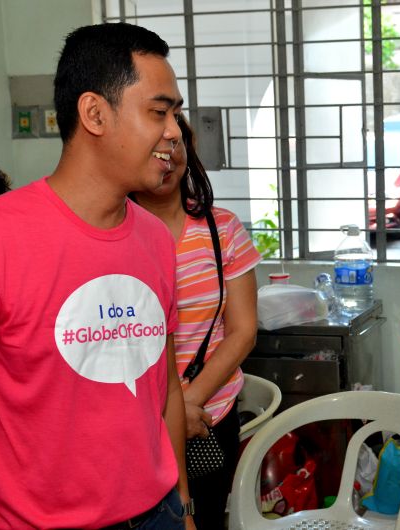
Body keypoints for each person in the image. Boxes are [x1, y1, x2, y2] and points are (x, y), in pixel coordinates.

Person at [0, 23, 195, 529]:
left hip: (160, 514)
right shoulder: (3, 236)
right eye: (158, 112)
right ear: (94, 114)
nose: (174, 131)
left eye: (175, 114)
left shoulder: (155, 239)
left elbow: (166, 388)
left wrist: (184, 504)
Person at [133, 116, 261, 529]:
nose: (167, 155)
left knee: (201, 518)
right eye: (154, 147)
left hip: (208, 416)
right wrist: (167, 412)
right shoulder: (115, 234)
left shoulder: (221, 229)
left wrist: (188, 404)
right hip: (136, 420)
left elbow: (243, 331)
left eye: (175, 144)